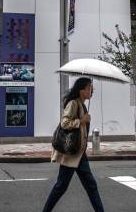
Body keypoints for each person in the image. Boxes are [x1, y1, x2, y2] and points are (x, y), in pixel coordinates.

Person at [42, 77, 104, 212]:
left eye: (92, 88)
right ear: (81, 90)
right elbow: (64, 123)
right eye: (89, 88)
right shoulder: (73, 104)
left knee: (90, 185)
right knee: (61, 187)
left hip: (79, 153)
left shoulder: (82, 105)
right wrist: (81, 121)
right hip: (71, 153)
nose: (92, 90)